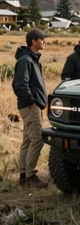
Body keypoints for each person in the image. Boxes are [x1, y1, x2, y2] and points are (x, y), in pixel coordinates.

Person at [12, 28, 50, 188]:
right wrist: (32, 102)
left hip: (32, 106)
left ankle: (23, 175)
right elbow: (20, 85)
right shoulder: (26, 60)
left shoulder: (31, 59)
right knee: (37, 139)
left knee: (27, 140)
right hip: (30, 107)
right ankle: (30, 176)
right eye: (42, 39)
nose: (44, 41)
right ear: (34, 41)